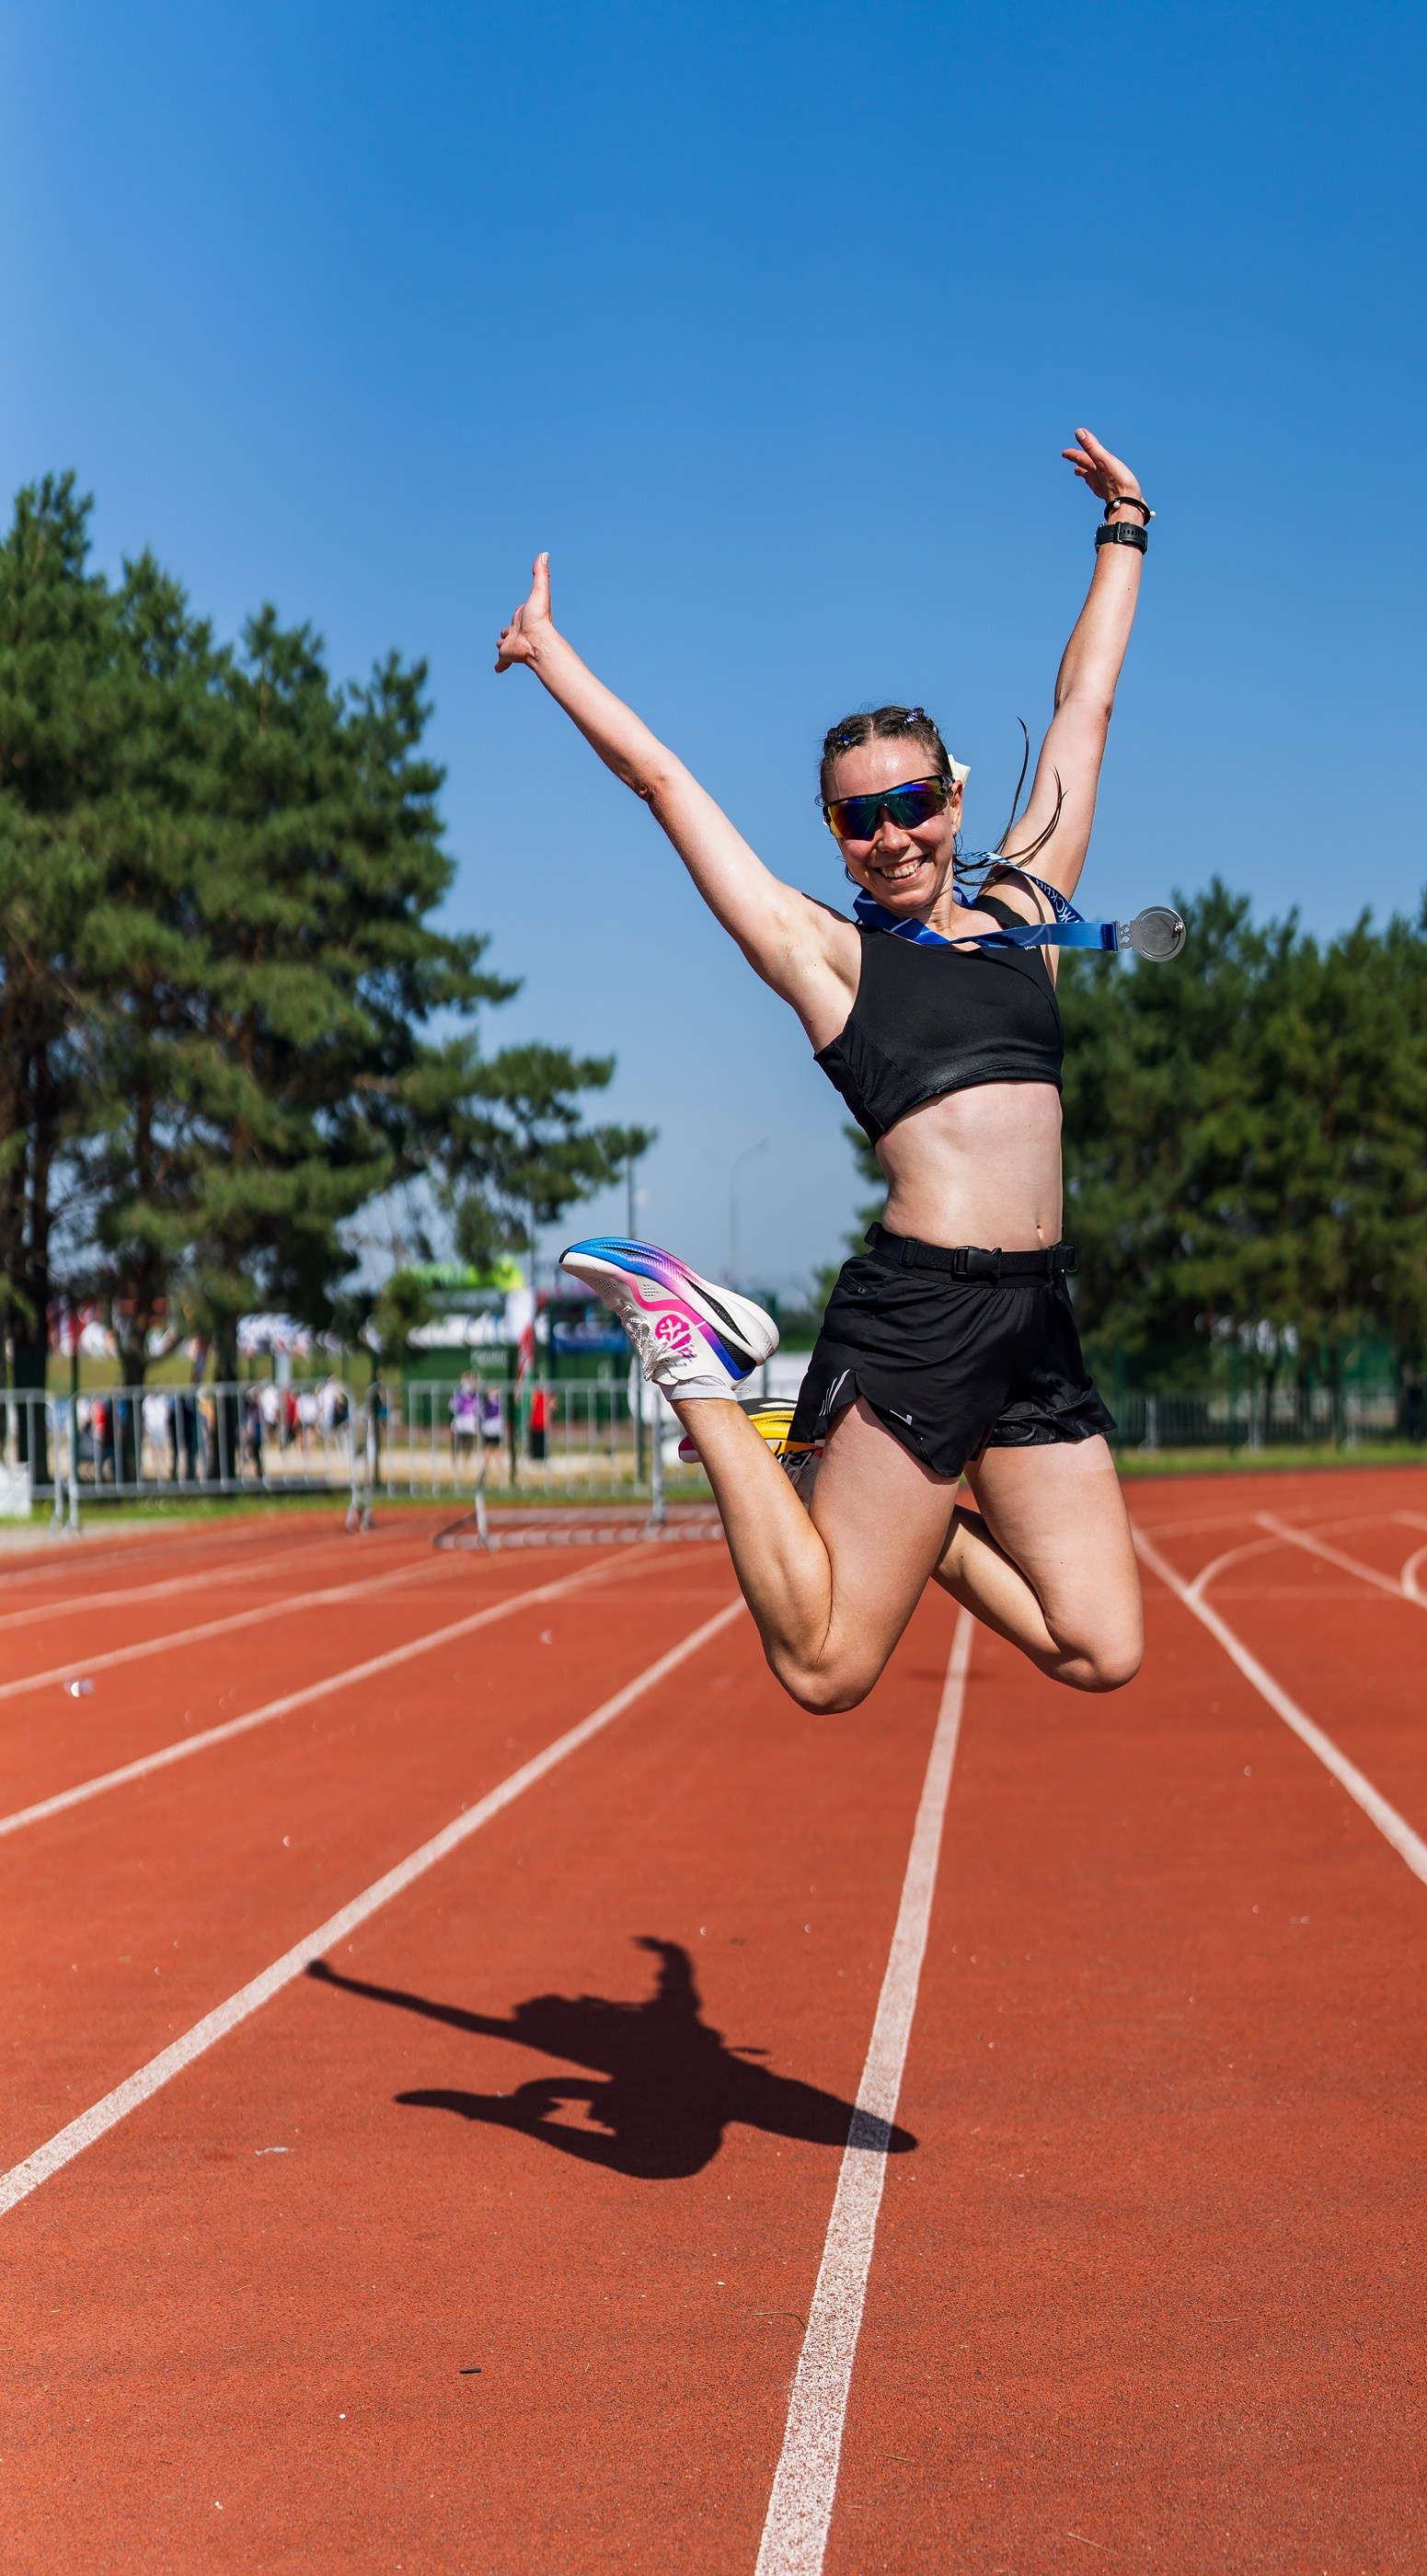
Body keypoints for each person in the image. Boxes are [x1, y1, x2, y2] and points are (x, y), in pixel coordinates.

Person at [497, 429, 1150, 1714]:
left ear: (955, 801)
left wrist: (1125, 527)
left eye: (913, 804)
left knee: (1100, 1645)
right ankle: (703, 1377)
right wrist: (552, 655)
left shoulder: (1030, 910)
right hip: (924, 1315)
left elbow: (1086, 704)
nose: (894, 835)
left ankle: (841, 1452)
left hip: (1035, 1319)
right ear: (837, 840)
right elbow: (663, 783)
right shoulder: (828, 956)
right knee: (825, 1666)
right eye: (861, 819)